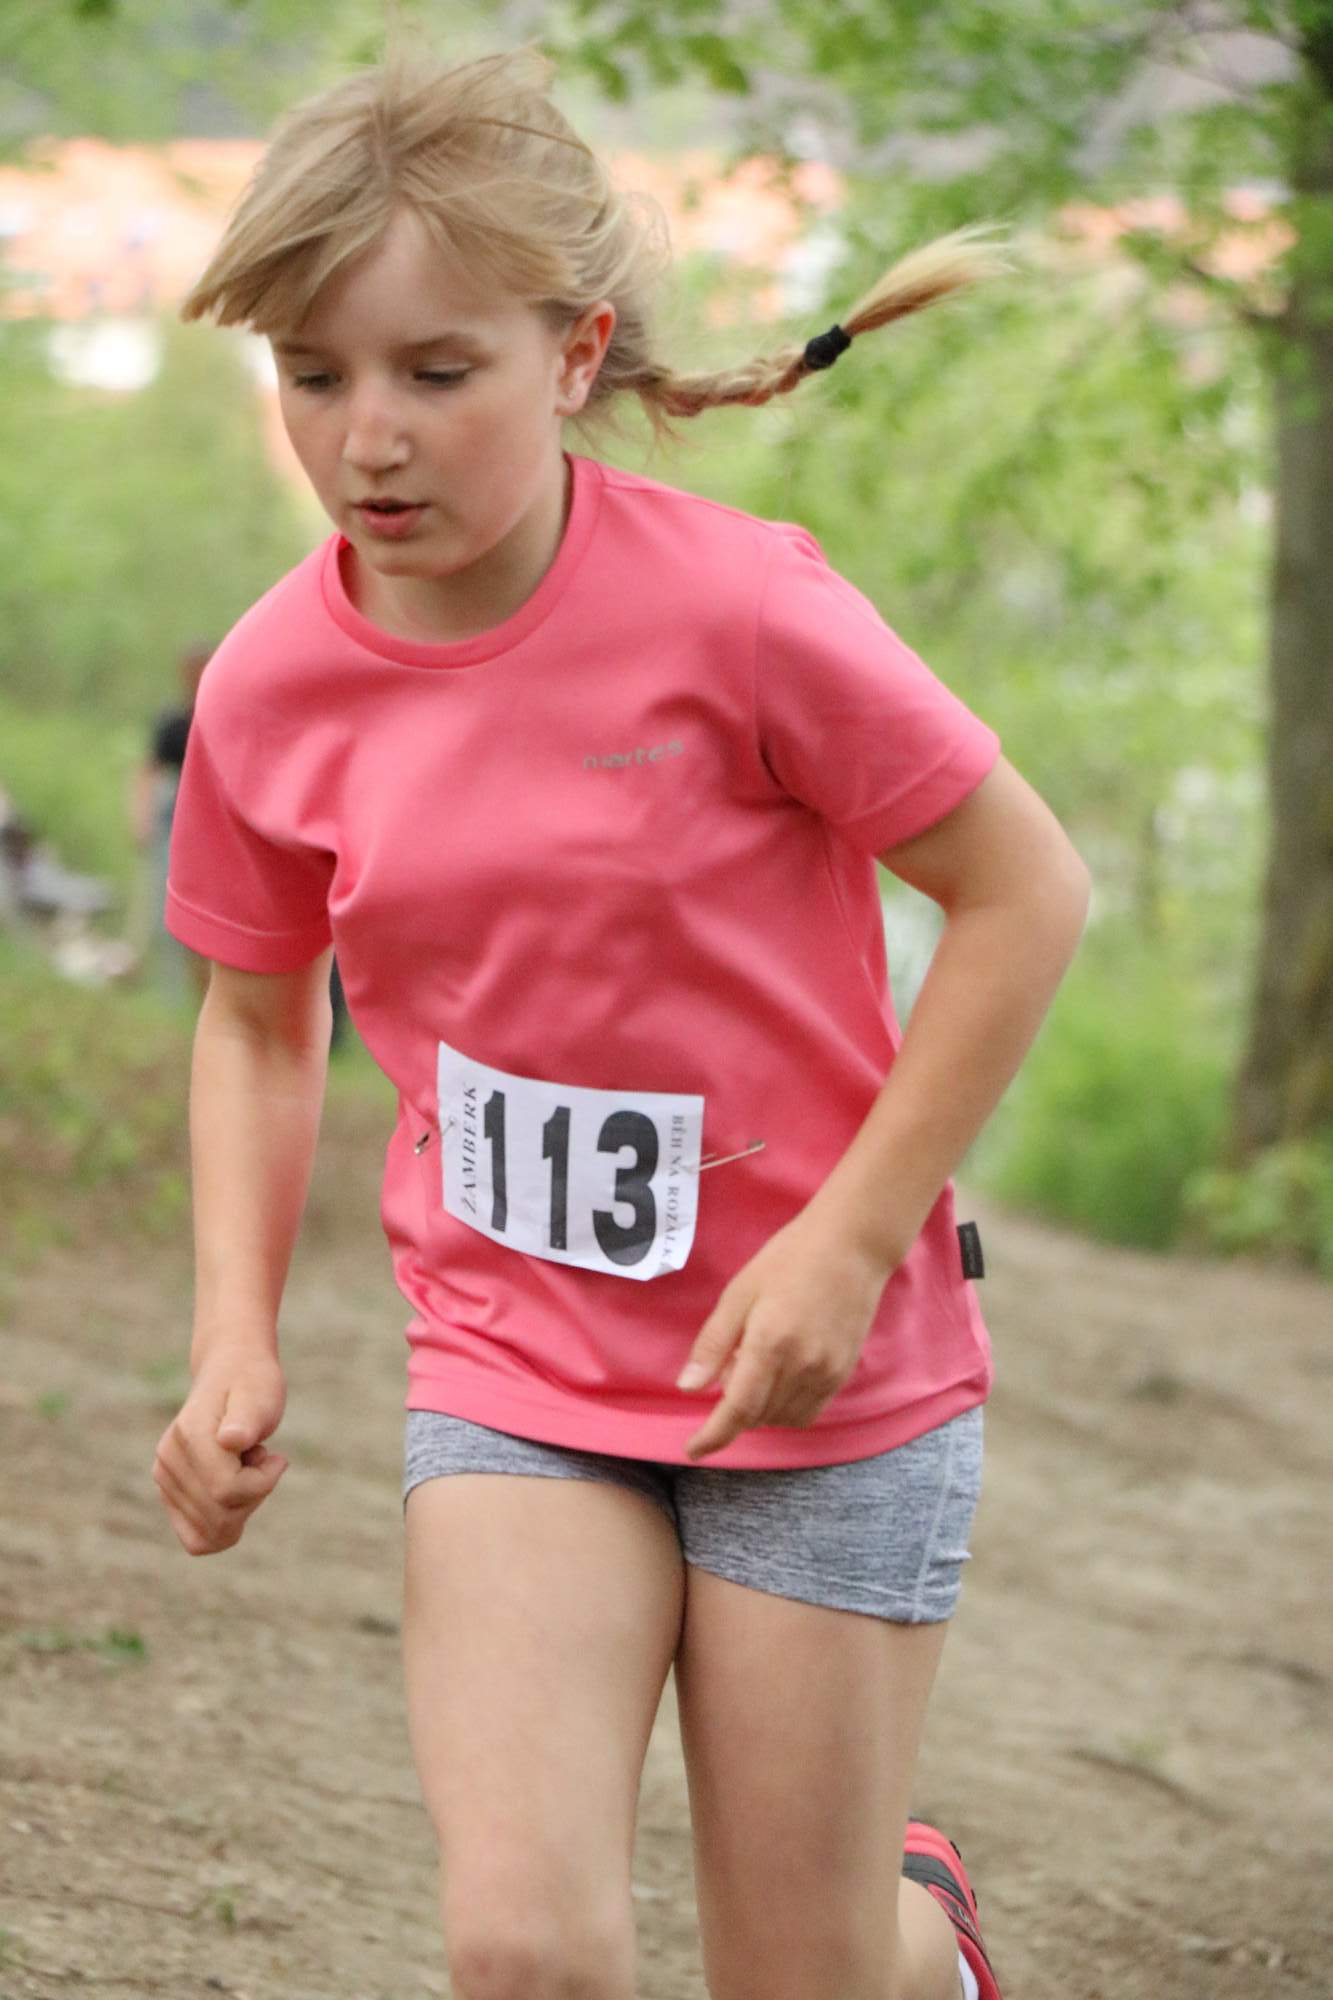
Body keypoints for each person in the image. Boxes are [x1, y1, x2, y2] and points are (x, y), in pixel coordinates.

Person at [151, 36, 1092, 2000]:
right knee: (522, 1950)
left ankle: (921, 1945)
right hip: (514, 1365)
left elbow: (1024, 895)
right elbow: (255, 1021)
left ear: (574, 353)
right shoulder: (268, 686)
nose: (367, 440)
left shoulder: (739, 615)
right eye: (314, 376)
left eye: (436, 374)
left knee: (802, 1976)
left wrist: (847, 1241)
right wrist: (232, 1332)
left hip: (819, 1384)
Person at [131, 641, 352, 1046]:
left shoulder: (228, 711)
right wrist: (142, 816)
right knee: (177, 920)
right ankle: (180, 1002)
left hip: (226, 831)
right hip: (176, 826)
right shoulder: (175, 723)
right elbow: (150, 770)